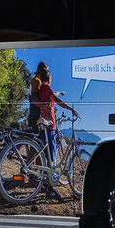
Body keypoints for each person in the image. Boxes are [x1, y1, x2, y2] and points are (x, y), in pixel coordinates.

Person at [34, 62, 78, 198]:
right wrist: (71, 109)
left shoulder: (42, 88)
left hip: (44, 124)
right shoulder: (46, 87)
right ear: (49, 78)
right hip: (50, 126)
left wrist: (59, 92)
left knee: (45, 155)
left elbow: (53, 94)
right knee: (51, 158)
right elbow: (56, 100)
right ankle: (50, 187)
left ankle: (43, 184)